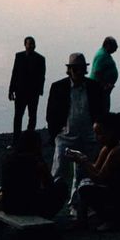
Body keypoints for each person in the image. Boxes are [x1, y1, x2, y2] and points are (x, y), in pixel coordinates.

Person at [46, 52, 106, 199]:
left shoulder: (94, 87)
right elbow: (51, 113)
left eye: (81, 69)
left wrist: (97, 131)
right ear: (69, 70)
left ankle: (76, 204)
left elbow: (101, 110)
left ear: (85, 70)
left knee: (84, 172)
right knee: (59, 169)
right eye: (75, 69)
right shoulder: (58, 87)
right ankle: (51, 199)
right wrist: (55, 133)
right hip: (65, 136)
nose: (78, 72)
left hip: (88, 136)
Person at [0, 131, 68, 218]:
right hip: (27, 206)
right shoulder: (34, 162)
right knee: (62, 187)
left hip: (9, 206)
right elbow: (49, 184)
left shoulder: (8, 160)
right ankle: (47, 216)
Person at [8, 36, 46, 139]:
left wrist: (40, 90)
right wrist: (11, 90)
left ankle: (30, 138)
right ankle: (16, 139)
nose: (31, 46)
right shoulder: (19, 56)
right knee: (18, 116)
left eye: (33, 44)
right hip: (20, 92)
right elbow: (14, 73)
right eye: (29, 44)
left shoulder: (40, 59)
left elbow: (42, 76)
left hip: (33, 92)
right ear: (25, 45)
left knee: (32, 116)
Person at [89, 36, 119, 112]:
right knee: (101, 108)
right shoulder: (101, 55)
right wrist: (105, 85)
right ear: (108, 45)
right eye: (114, 46)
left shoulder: (105, 54)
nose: (116, 49)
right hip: (99, 89)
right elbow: (97, 72)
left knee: (104, 107)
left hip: (103, 89)